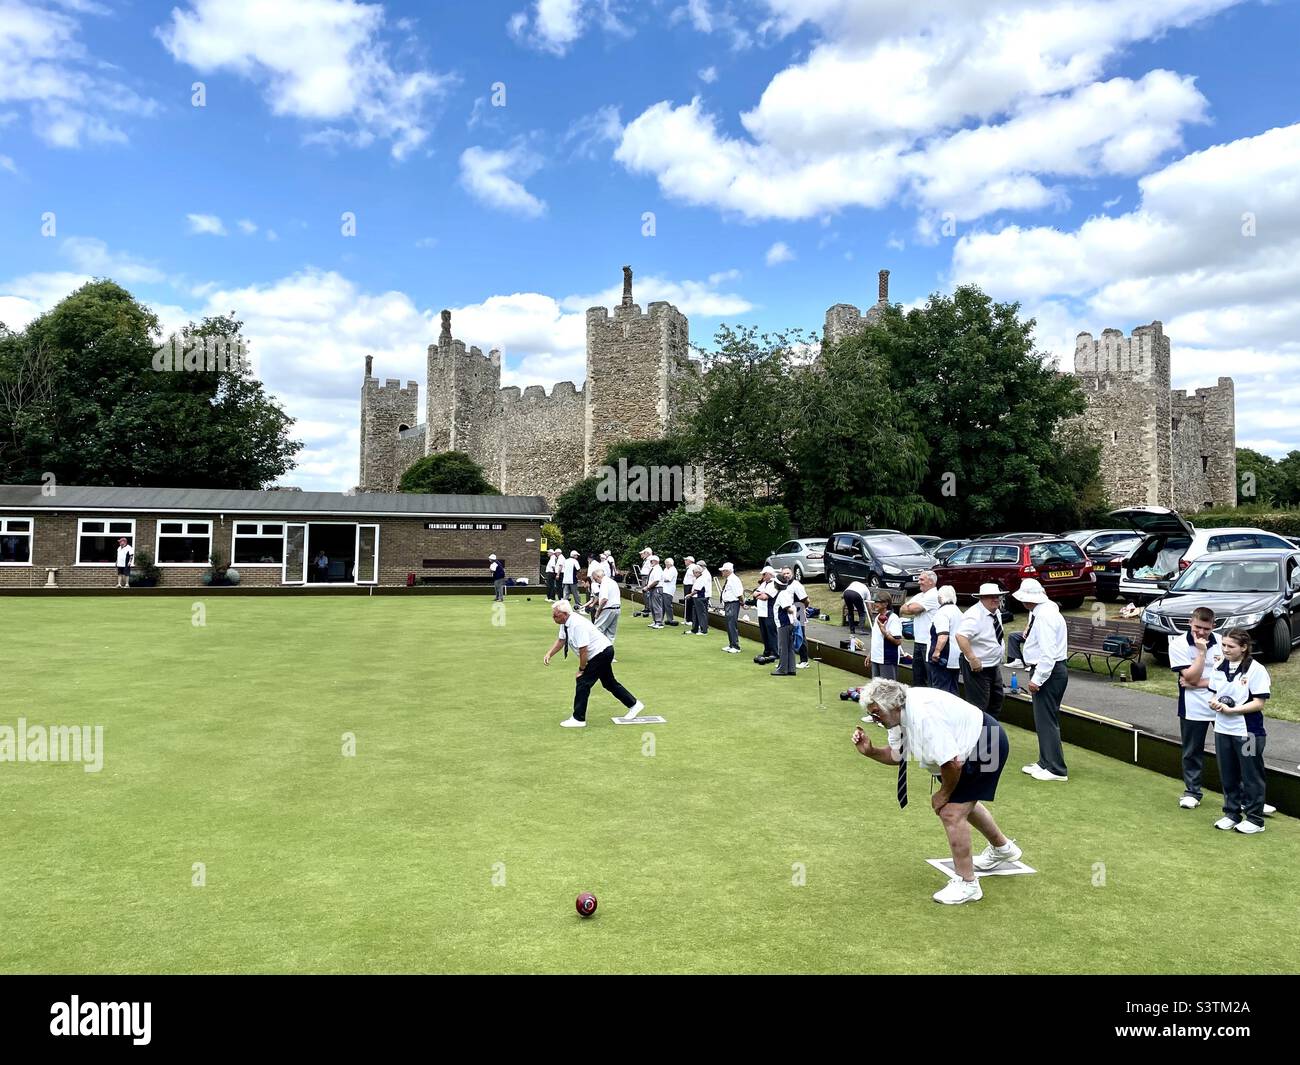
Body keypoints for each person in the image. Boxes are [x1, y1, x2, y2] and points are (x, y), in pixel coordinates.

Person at [851, 678, 1021, 905]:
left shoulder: (923, 716)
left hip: (985, 744)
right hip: (971, 744)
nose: (874, 719)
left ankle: (967, 883)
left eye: (876, 713)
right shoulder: (897, 716)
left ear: (892, 706)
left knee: (951, 811)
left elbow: (952, 763)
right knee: (962, 805)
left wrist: (944, 793)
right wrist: (870, 751)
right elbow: (897, 755)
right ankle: (1003, 848)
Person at [1182, 627, 1271, 833]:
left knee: (1251, 775)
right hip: (1223, 729)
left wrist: (1233, 710)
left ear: (1244, 648)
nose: (1225, 649)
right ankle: (1231, 813)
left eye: (1230, 646)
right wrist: (1214, 703)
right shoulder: (1220, 666)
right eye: (1223, 645)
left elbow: (1258, 703)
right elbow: (1214, 694)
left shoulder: (1256, 669)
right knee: (1228, 774)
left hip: (1248, 732)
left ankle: (1256, 819)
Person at [543, 600, 645, 728]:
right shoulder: (565, 623)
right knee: (609, 683)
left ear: (565, 614)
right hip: (601, 652)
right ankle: (635, 705)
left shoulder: (577, 624)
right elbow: (561, 640)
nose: (553, 618)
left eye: (556, 615)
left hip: (601, 653)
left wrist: (581, 669)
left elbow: (583, 650)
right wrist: (549, 654)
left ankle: (578, 718)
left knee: (583, 682)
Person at [1011, 579, 1070, 782]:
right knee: (1043, 719)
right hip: (1050, 670)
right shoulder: (1040, 612)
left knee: (1047, 720)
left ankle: (1056, 769)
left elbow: (1048, 653)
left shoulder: (1045, 616)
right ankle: (1046, 761)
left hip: (1050, 672)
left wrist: (1038, 678)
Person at [1168, 606, 1222, 809]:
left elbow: (1228, 678)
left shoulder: (1223, 642)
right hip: (1192, 707)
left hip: (1222, 705)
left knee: (1232, 751)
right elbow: (1189, 676)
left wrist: (1198, 683)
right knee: (1192, 751)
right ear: (1190, 622)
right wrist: (1201, 652)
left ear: (1213, 627)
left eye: (1206, 629)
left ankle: (1245, 797)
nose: (1201, 632)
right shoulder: (1179, 644)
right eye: (1198, 627)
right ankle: (1192, 792)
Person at [955, 583, 1006, 719]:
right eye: (991, 597)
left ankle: (990, 739)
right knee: (979, 707)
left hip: (993, 665)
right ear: (982, 598)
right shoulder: (974, 615)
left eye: (997, 596)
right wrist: (972, 658)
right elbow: (960, 636)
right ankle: (978, 739)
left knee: (996, 702)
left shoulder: (996, 612)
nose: (995, 599)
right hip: (978, 667)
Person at [899, 571, 941, 688]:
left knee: (929, 678)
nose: (919, 582)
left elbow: (913, 609)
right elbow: (903, 608)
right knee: (917, 677)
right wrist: (910, 608)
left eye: (922, 580)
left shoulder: (933, 595)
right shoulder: (920, 595)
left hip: (929, 643)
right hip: (918, 642)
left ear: (931, 582)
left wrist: (911, 608)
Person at [928, 586, 963, 695]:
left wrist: (937, 651)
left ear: (940, 597)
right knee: (953, 688)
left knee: (941, 691)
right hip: (956, 656)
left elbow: (943, 636)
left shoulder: (942, 612)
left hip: (944, 657)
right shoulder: (958, 611)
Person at [781, 567, 812, 669]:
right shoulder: (783, 585)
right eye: (784, 573)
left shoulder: (796, 585)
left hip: (798, 612)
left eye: (788, 573)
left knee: (801, 635)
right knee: (790, 636)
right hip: (788, 612)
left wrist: (802, 609)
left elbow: (806, 600)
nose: (786, 575)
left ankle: (804, 660)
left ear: (792, 574)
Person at [868, 590, 903, 679]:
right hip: (876, 658)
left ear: (885, 604)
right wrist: (870, 654)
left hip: (887, 659)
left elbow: (898, 641)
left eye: (878, 602)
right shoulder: (877, 618)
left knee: (888, 690)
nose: (875, 604)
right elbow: (876, 639)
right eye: (875, 601)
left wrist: (885, 632)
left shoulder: (893, 618)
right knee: (876, 689)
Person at [771, 574, 797, 676]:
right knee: (789, 647)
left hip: (784, 624)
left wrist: (793, 611)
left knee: (783, 647)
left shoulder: (782, 594)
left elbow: (788, 609)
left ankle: (782, 669)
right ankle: (791, 668)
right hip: (788, 623)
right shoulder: (786, 593)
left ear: (777, 584)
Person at [754, 566, 779, 664]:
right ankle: (767, 651)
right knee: (764, 632)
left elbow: (765, 597)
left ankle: (775, 652)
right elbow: (754, 594)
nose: (762, 576)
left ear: (769, 574)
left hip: (770, 612)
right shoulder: (764, 583)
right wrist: (760, 593)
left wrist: (759, 594)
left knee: (771, 632)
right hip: (761, 612)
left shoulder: (774, 584)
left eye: (764, 574)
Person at [591, 565, 621, 642]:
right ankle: (609, 653)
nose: (596, 581)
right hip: (617, 609)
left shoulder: (604, 583)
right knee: (610, 634)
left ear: (598, 576)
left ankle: (596, 651)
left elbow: (604, 599)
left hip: (608, 609)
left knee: (596, 630)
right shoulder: (612, 581)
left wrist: (598, 611)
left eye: (595, 579)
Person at [719, 563, 744, 653]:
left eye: (723, 571)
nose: (722, 572)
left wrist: (742, 602)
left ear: (727, 571)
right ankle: (731, 644)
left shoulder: (734, 580)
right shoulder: (730, 579)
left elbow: (739, 593)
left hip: (733, 604)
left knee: (732, 624)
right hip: (728, 604)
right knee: (729, 624)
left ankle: (736, 646)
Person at [645, 554, 666, 628]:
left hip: (656, 588)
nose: (650, 562)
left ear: (656, 561)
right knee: (652, 606)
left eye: (652, 561)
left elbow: (656, 581)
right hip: (652, 589)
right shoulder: (654, 568)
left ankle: (659, 622)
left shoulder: (658, 569)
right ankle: (655, 621)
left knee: (657, 606)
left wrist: (648, 587)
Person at [691, 560, 712, 635]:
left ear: (702, 567)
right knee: (696, 613)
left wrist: (690, 594)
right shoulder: (702, 574)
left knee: (701, 613)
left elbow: (699, 588)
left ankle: (704, 630)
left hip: (702, 596)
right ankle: (695, 629)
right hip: (698, 596)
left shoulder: (705, 575)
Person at [662, 557, 679, 626]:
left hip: (669, 590)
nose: (666, 564)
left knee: (667, 605)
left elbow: (668, 579)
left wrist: (662, 579)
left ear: (671, 563)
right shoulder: (665, 569)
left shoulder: (673, 570)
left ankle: (670, 619)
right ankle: (661, 619)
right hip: (664, 588)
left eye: (668, 563)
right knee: (662, 605)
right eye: (666, 563)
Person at [681, 556, 696, 633]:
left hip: (690, 586)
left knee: (690, 602)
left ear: (690, 561)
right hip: (687, 585)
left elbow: (694, 578)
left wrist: (693, 588)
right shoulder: (689, 567)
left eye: (686, 560)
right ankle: (687, 619)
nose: (685, 561)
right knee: (687, 602)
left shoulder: (693, 567)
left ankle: (690, 619)